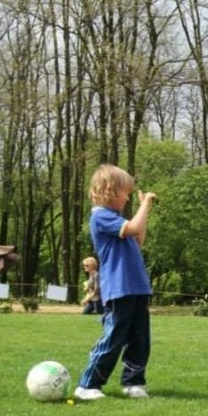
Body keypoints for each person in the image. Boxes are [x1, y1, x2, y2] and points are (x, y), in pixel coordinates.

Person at [74, 164, 158, 401]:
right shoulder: (100, 217)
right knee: (114, 336)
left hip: (137, 286)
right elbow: (132, 228)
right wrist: (145, 204)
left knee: (140, 338)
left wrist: (144, 210)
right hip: (119, 287)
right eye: (125, 192)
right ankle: (88, 384)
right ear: (110, 190)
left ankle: (133, 382)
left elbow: (138, 236)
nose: (129, 197)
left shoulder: (115, 219)